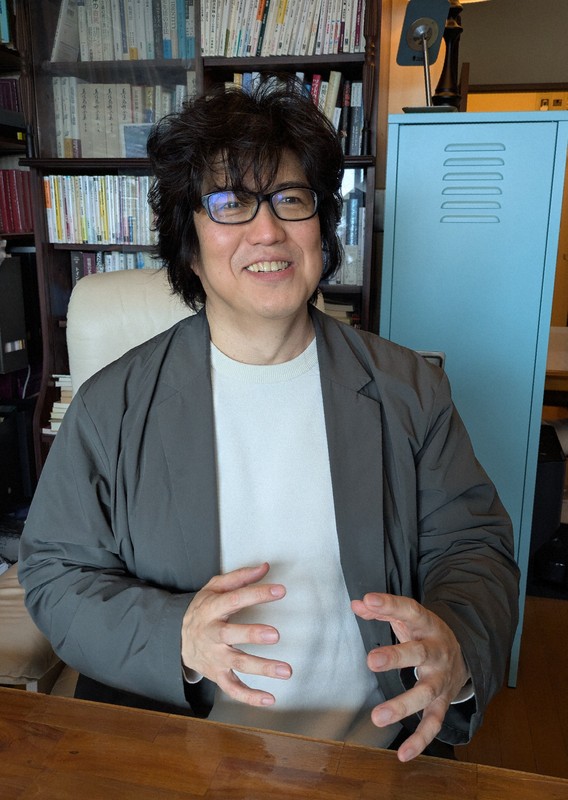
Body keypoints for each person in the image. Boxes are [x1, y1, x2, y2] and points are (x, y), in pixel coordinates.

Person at [18, 75, 519, 762]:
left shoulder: (410, 391)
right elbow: (55, 572)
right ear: (188, 243)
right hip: (181, 762)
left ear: (322, 228)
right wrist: (176, 636)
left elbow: (473, 548)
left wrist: (456, 643)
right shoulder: (112, 407)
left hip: (376, 758)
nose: (267, 230)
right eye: (230, 203)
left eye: (290, 198)